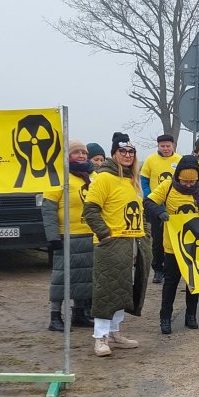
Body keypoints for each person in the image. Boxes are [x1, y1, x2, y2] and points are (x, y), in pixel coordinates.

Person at [81, 133, 151, 357]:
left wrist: (145, 233)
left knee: (123, 290)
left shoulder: (133, 178)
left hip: (133, 241)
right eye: (123, 151)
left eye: (131, 152)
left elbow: (139, 210)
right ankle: (99, 337)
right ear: (114, 153)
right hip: (112, 243)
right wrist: (105, 235)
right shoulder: (103, 178)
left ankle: (114, 332)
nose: (128, 155)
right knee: (107, 291)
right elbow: (90, 210)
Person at [146, 154, 199, 333]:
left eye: (191, 182)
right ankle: (165, 318)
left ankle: (191, 316)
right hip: (172, 247)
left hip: (196, 247)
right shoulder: (167, 186)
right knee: (170, 282)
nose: (188, 185)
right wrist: (159, 211)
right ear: (178, 176)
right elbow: (148, 202)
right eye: (184, 182)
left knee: (194, 283)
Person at [42, 140, 96, 331]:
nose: (81, 156)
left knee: (84, 277)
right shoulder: (58, 178)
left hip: (90, 235)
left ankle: (79, 313)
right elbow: (48, 210)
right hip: (67, 237)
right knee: (61, 279)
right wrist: (53, 236)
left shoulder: (93, 177)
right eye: (76, 152)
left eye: (84, 152)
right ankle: (55, 316)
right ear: (67, 155)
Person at [140, 134, 182, 285]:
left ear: (173, 146)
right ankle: (158, 269)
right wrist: (149, 197)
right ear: (158, 146)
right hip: (155, 205)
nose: (165, 148)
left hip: (174, 206)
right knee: (158, 240)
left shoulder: (179, 160)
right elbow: (143, 180)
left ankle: (175, 268)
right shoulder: (151, 160)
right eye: (162, 146)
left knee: (176, 238)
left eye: (168, 146)